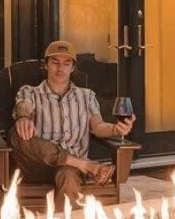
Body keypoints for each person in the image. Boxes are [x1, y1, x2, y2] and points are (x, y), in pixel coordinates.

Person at [9, 40, 136, 202]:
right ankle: (87, 165)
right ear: (46, 65)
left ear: (73, 67)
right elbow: (23, 106)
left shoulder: (87, 96)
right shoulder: (30, 92)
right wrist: (23, 118)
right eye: (55, 62)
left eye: (66, 63)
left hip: (70, 168)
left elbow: (97, 126)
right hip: (38, 167)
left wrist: (117, 130)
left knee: (68, 175)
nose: (60, 68)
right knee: (16, 133)